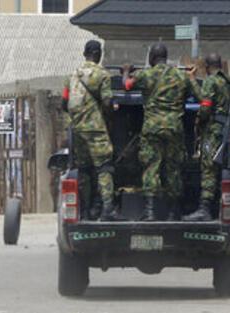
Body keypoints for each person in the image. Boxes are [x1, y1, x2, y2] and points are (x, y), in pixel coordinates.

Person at [123, 43, 198, 221]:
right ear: (166, 57)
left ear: (151, 58)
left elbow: (126, 85)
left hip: (152, 129)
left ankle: (150, 212)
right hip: (174, 129)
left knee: (151, 167)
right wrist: (191, 77)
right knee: (173, 168)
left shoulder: (145, 74)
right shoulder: (180, 76)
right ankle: (173, 212)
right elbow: (201, 97)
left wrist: (126, 71)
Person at [62, 40, 124, 221]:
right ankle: (107, 209)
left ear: (84, 54)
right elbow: (106, 101)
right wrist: (110, 116)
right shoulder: (102, 75)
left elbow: (64, 103)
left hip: (77, 129)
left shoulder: (72, 76)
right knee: (104, 166)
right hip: (95, 129)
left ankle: (86, 210)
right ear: (99, 55)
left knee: (84, 170)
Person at [184, 53, 230, 222]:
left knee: (207, 169)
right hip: (222, 132)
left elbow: (205, 106)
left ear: (207, 67)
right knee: (216, 169)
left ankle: (204, 208)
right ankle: (211, 207)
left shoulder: (212, 81)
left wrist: (198, 121)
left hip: (212, 132)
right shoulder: (228, 83)